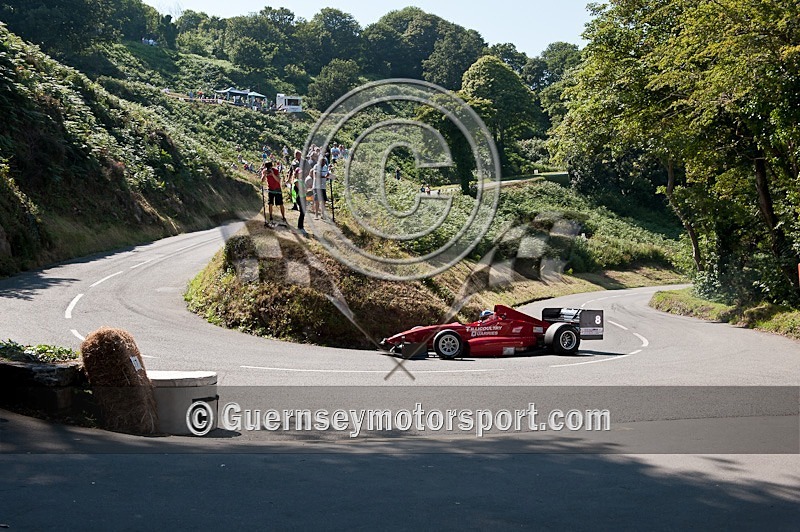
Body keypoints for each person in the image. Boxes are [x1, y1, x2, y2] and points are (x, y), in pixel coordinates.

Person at [261, 161, 286, 225]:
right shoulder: (264, 171)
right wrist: (264, 175)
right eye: (267, 167)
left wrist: (273, 174)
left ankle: (283, 217)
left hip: (277, 189)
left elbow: (278, 180)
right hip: (271, 189)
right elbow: (262, 181)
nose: (268, 169)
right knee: (270, 203)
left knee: (281, 203)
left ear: (271, 166)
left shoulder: (275, 170)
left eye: (269, 167)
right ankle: (271, 217)